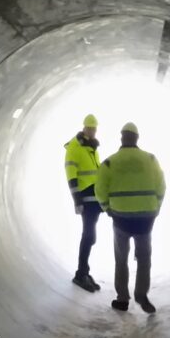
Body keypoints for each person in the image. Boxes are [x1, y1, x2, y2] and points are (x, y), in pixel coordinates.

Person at [95, 122, 166, 313]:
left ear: (122, 137)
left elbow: (100, 190)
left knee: (121, 259)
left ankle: (122, 299)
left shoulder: (110, 162)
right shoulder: (150, 160)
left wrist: (107, 208)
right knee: (144, 259)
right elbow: (161, 186)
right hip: (145, 219)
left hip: (121, 219)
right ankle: (142, 295)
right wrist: (156, 207)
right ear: (137, 138)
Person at [64, 114, 103, 292]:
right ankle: (80, 274)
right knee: (88, 236)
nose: (93, 132)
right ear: (84, 128)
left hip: (94, 198)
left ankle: (84, 272)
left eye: (94, 129)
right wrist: (76, 200)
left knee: (91, 236)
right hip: (85, 198)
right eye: (90, 129)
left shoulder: (91, 147)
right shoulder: (75, 147)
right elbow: (71, 175)